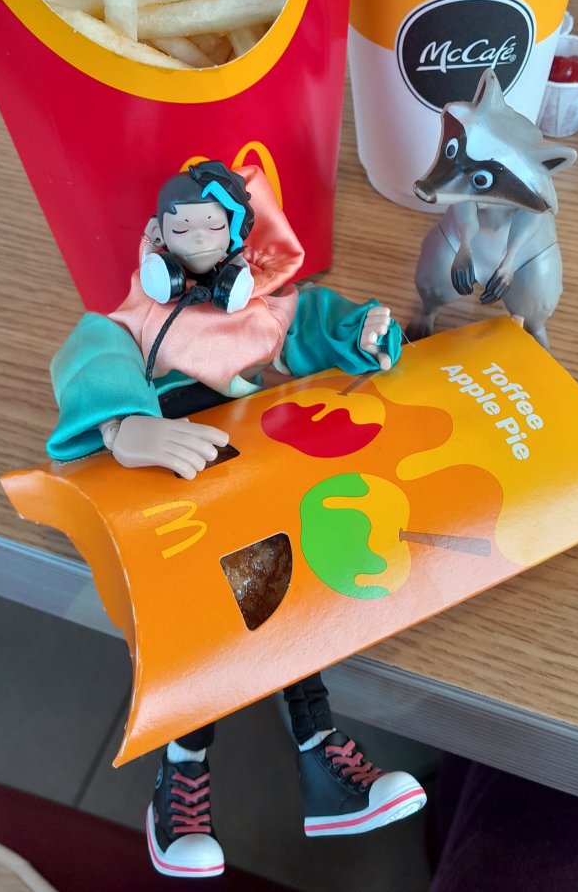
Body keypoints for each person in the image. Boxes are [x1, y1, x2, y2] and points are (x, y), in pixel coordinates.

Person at [46, 161, 427, 879]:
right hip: (163, 474)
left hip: (247, 466)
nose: (196, 238)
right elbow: (91, 347)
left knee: (283, 589)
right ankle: (182, 769)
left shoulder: (256, 309)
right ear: (157, 237)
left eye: (212, 227)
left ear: (235, 239)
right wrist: (126, 424)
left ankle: (322, 756)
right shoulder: (143, 314)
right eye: (181, 227)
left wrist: (362, 330)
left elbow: (306, 324)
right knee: (201, 612)